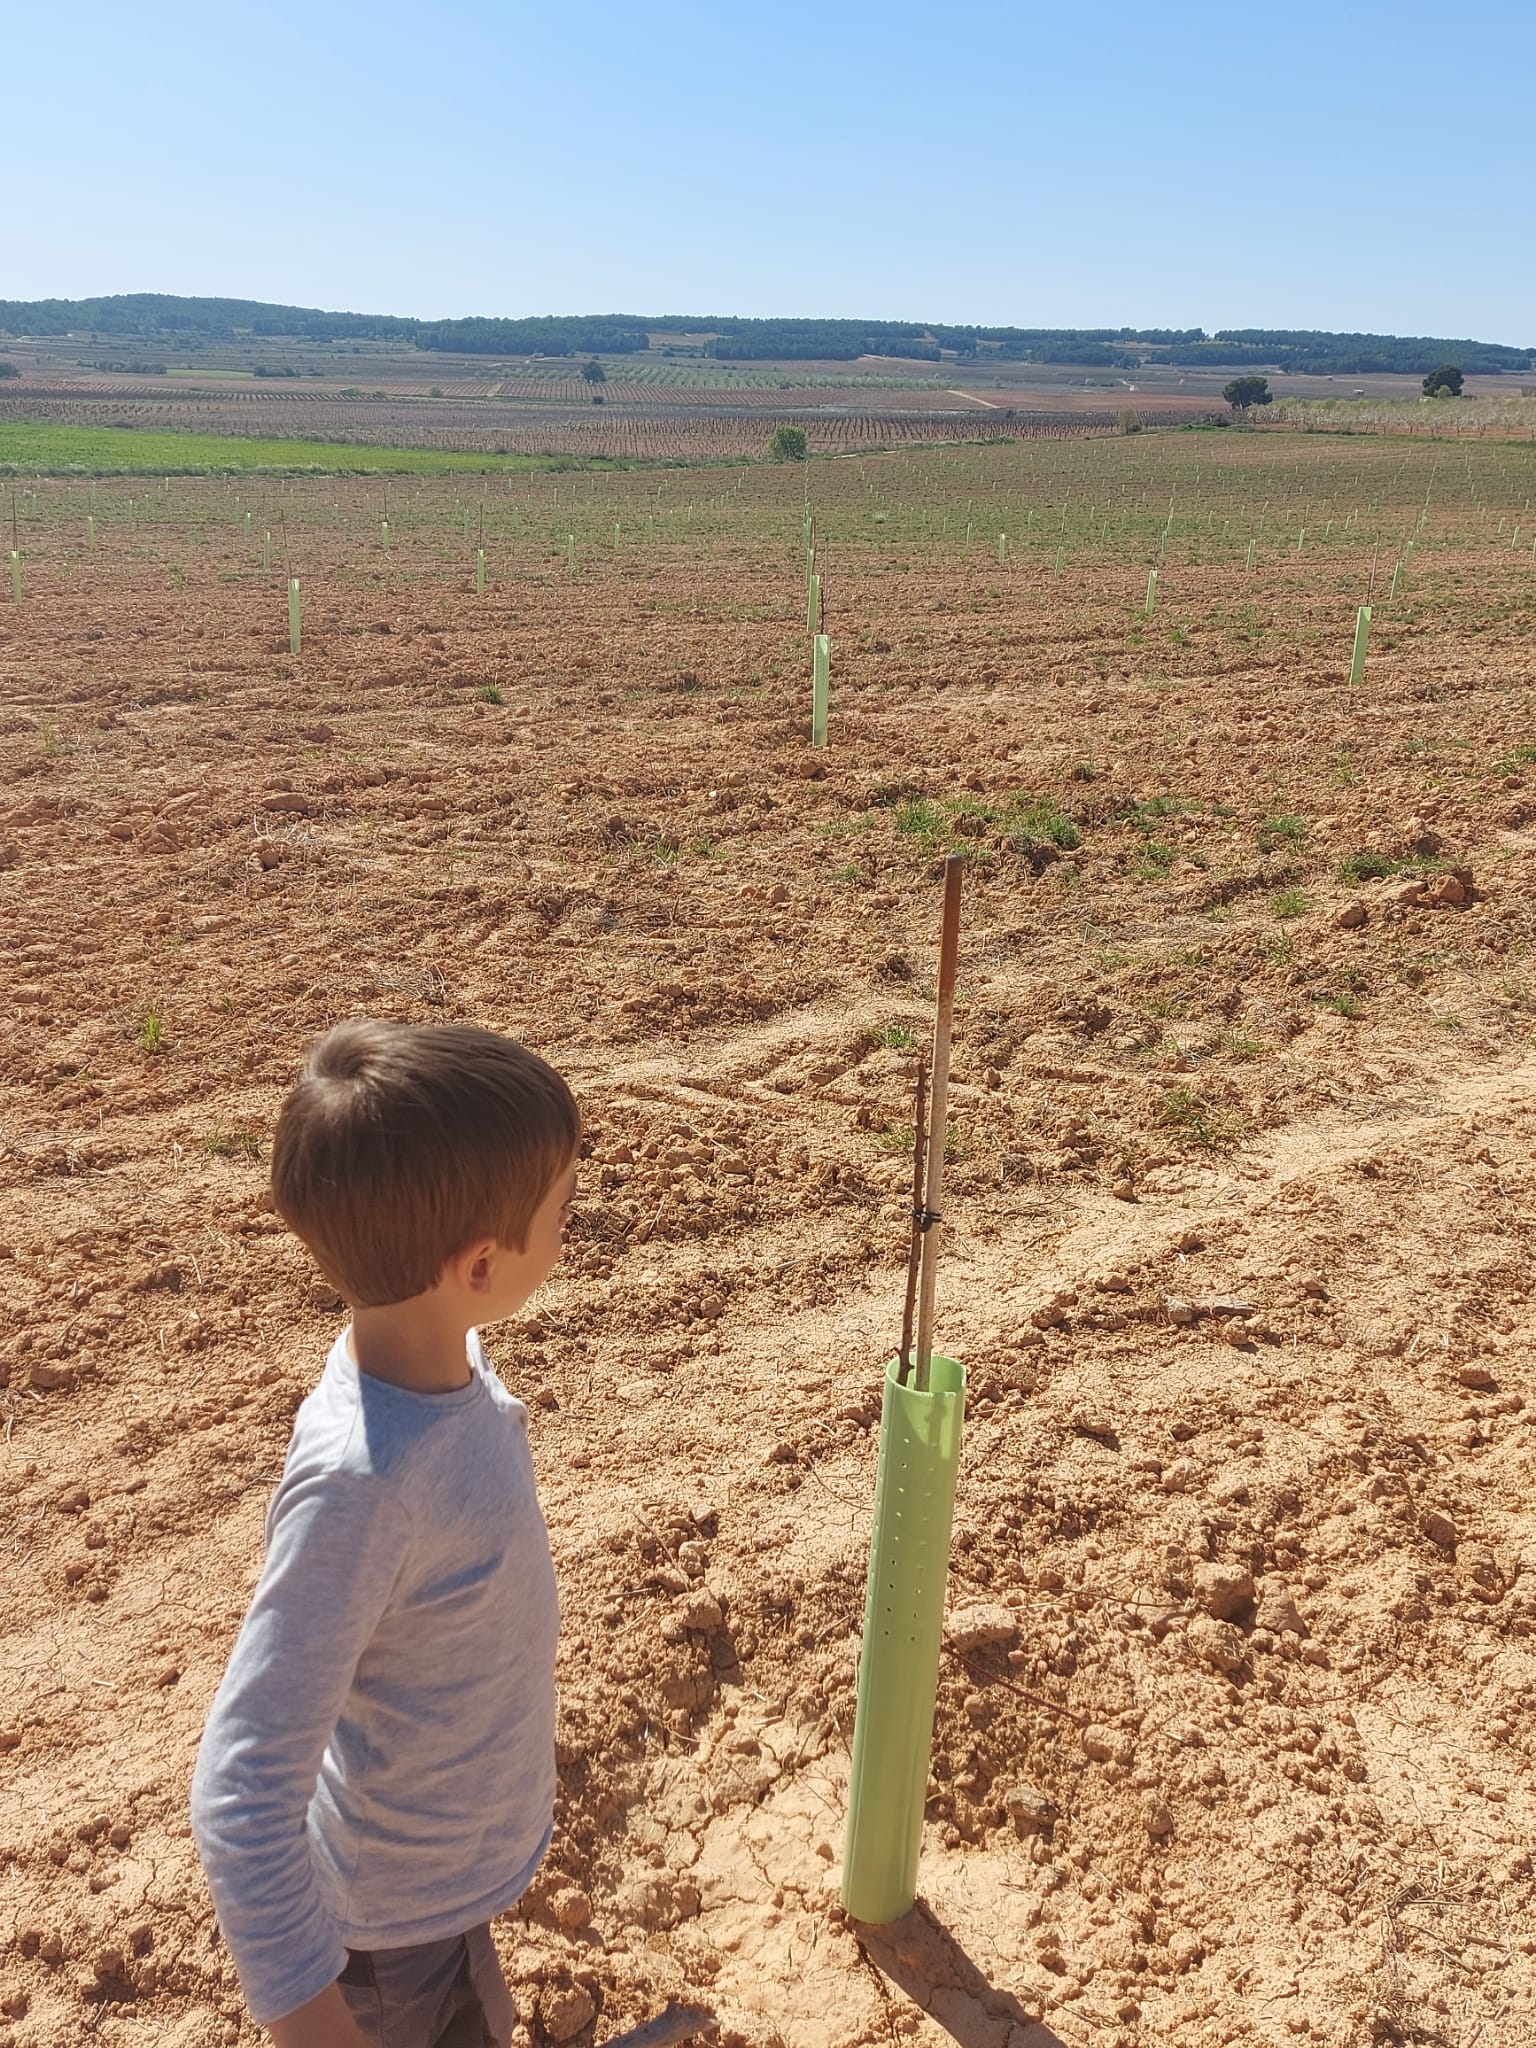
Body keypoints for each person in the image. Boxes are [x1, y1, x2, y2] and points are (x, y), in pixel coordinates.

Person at [191, 1020, 582, 2048]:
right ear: (482, 1263)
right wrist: (316, 2028)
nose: (569, 1226)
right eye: (561, 1212)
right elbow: (241, 1793)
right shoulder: (362, 1488)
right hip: (386, 1942)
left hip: (436, 1889)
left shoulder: (428, 1347)